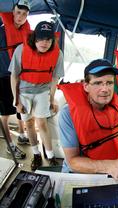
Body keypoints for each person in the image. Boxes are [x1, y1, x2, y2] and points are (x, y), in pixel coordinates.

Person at [58, 59, 118, 182]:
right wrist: (109, 166)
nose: (105, 89)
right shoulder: (68, 114)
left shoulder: (116, 106)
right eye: (98, 83)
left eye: (109, 83)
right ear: (86, 86)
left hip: (110, 171)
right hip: (78, 174)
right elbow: (72, 161)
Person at [9, 21, 64, 171]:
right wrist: (16, 100)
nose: (44, 43)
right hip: (24, 92)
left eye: (48, 39)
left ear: (53, 40)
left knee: (42, 123)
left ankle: (51, 156)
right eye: (41, 38)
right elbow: (14, 76)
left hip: (42, 91)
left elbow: (54, 78)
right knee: (29, 124)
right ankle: (36, 154)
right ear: (34, 38)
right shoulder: (21, 50)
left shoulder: (57, 54)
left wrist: (52, 99)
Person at [0, 0, 31, 159]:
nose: (21, 16)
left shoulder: (26, 31)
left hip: (18, 75)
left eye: (24, 14)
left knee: (20, 106)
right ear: (13, 12)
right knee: (5, 113)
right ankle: (10, 146)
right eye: (18, 12)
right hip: (2, 76)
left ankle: (21, 134)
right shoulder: (2, 30)